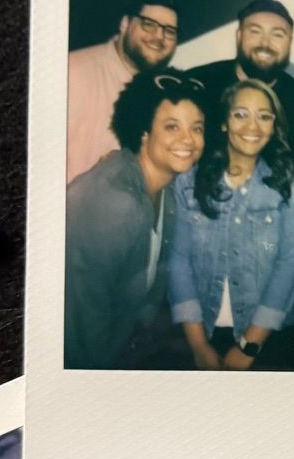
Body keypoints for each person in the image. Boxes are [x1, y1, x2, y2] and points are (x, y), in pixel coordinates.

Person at [64, 69, 206, 370]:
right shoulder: (115, 203)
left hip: (127, 343)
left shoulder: (166, 190)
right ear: (144, 131)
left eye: (197, 128)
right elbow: (84, 321)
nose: (188, 139)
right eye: (172, 127)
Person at [168, 79, 294, 371]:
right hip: (198, 332)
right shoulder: (188, 181)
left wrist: (250, 345)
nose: (253, 126)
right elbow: (178, 261)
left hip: (267, 338)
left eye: (264, 116)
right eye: (240, 114)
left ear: (274, 126)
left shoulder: (289, 182)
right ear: (223, 123)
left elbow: (291, 263)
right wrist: (198, 346)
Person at [186, 0, 294, 179]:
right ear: (239, 36)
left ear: (290, 43)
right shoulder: (197, 87)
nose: (265, 43)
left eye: (278, 34)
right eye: (255, 32)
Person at [67, 0, 180, 183]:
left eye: (169, 31)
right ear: (125, 24)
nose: (159, 36)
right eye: (148, 24)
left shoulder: (161, 90)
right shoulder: (74, 73)